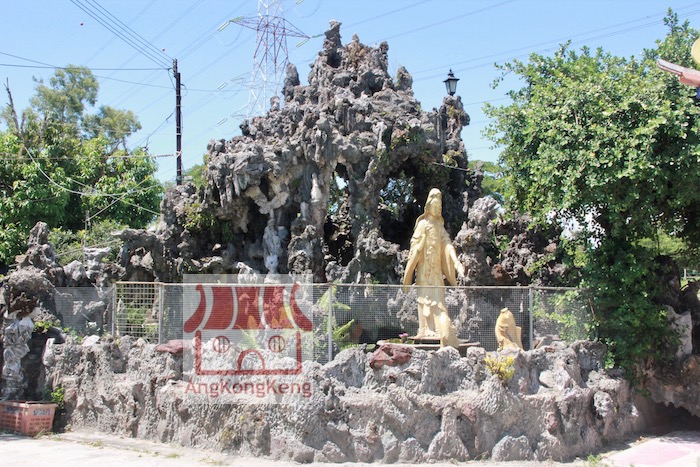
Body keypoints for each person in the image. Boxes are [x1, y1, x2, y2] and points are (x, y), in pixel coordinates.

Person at [402, 188, 465, 348]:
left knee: (439, 300)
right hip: (424, 270)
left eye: (439, 207)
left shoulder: (439, 226)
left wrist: (455, 262)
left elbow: (447, 244)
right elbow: (414, 245)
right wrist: (420, 245)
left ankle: (440, 329)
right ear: (428, 206)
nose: (437, 210)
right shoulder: (422, 224)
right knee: (423, 299)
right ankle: (424, 329)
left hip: (436, 272)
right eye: (435, 207)